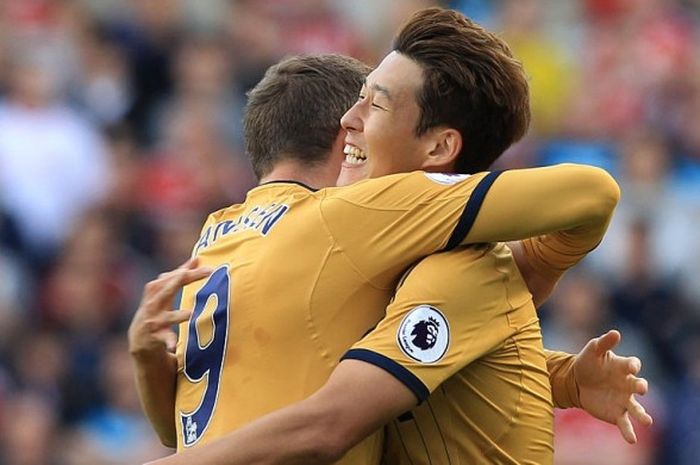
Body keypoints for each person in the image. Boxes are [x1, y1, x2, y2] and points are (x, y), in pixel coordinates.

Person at [130, 8, 648, 465]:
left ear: (440, 147)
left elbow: (330, 423)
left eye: (372, 105)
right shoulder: (361, 259)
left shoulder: (222, 232)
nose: (348, 122)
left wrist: (530, 272)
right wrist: (557, 369)